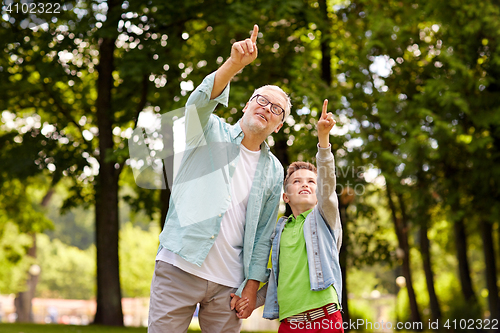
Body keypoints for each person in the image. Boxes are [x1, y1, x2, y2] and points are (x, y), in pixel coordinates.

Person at [148, 24, 292, 333]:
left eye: (276, 110)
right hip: (179, 268)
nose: (267, 109)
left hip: (228, 286)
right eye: (261, 100)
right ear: (246, 105)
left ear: (278, 126)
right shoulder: (209, 131)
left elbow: (264, 234)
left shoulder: (274, 171)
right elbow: (196, 105)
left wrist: (252, 285)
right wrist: (233, 66)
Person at [232, 100, 344, 332]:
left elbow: (327, 186)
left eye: (311, 182)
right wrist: (251, 301)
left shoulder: (324, 219)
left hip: (324, 319)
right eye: (297, 181)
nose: (305, 185)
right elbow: (279, 279)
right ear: (286, 196)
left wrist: (323, 139)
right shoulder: (279, 232)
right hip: (289, 323)